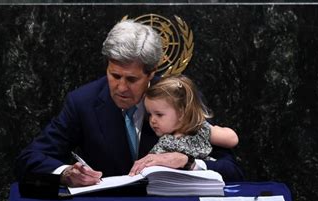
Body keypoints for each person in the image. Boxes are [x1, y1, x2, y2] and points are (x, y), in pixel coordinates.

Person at [14, 20, 244, 188]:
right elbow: (30, 158)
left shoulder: (178, 97)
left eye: (132, 79)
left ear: (152, 73)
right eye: (114, 76)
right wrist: (66, 173)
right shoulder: (82, 102)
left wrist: (188, 162)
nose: (121, 87)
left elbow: (233, 171)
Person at [129, 74, 238, 175]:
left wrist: (212, 129)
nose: (152, 120)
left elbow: (232, 140)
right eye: (150, 114)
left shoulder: (199, 130)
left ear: (182, 113)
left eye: (159, 114)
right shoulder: (162, 140)